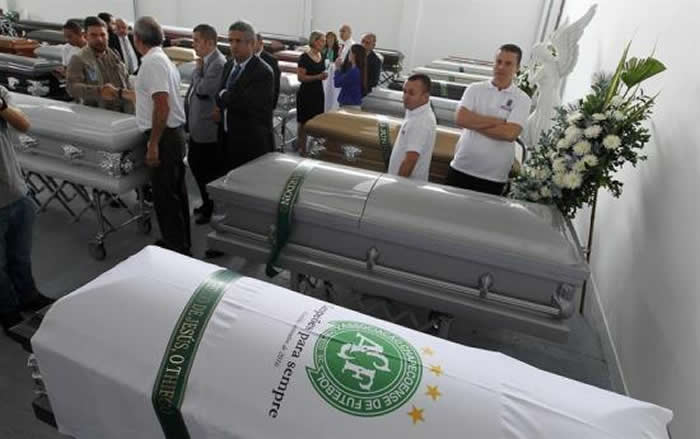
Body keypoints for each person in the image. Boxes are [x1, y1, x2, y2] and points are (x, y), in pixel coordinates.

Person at [126, 16, 191, 255]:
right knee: (175, 192)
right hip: (171, 134)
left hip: (164, 137)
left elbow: (161, 105)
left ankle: (177, 250)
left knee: (166, 196)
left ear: (137, 39)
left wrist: (153, 143)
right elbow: (152, 99)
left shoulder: (152, 63)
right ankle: (181, 243)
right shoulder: (161, 59)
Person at [0, 86, 53, 334]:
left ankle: (27, 296)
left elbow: (23, 124)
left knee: (20, 255)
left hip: (15, 192)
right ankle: (7, 310)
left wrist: (1, 107)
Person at [447, 44, 531, 196]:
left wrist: (474, 123)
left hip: (493, 176)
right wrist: (498, 121)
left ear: (517, 68)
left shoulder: (522, 99)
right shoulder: (474, 89)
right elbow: (460, 119)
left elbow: (510, 134)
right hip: (461, 166)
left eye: (508, 63)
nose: (501, 67)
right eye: (498, 61)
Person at [216, 20, 275, 171]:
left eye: (238, 41)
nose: (233, 45)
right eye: (230, 41)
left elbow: (245, 104)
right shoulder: (229, 65)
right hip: (228, 138)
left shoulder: (263, 72)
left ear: (251, 43)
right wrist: (224, 97)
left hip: (251, 143)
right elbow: (220, 95)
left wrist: (224, 95)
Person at [185, 24, 226, 225]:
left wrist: (197, 71)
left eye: (196, 41)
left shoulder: (217, 63)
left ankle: (211, 208)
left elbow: (203, 90)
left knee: (206, 171)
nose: (194, 45)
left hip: (207, 129)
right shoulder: (206, 61)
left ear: (209, 42)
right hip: (197, 126)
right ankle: (206, 203)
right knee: (196, 165)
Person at [65, 16, 131, 113]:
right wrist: (99, 91)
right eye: (94, 35)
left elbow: (125, 80)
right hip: (97, 114)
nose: (99, 39)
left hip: (122, 112)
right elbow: (72, 88)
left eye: (102, 35)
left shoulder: (114, 54)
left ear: (108, 35)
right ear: (85, 36)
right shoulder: (78, 59)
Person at [387, 74, 437, 181]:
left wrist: (395, 185)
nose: (405, 96)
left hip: (404, 186)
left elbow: (410, 161)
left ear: (425, 96)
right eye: (404, 91)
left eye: (411, 93)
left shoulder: (421, 121)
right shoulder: (414, 111)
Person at [296, 30, 328, 156]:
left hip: (318, 92)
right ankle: (302, 149)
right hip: (306, 93)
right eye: (322, 40)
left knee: (317, 122)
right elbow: (301, 78)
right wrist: (318, 77)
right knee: (303, 122)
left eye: (324, 41)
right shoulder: (304, 57)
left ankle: (313, 149)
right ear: (314, 41)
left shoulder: (322, 56)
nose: (324, 43)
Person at [333, 44, 366, 108]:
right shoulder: (356, 69)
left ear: (354, 55)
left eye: (349, 52)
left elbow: (337, 83)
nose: (348, 54)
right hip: (350, 104)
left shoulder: (354, 71)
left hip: (349, 105)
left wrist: (337, 69)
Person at [255, 33, 281, 109]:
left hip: (264, 104)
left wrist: (272, 106)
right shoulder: (246, 57)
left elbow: (275, 84)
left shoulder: (271, 60)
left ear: (261, 43)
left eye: (254, 42)